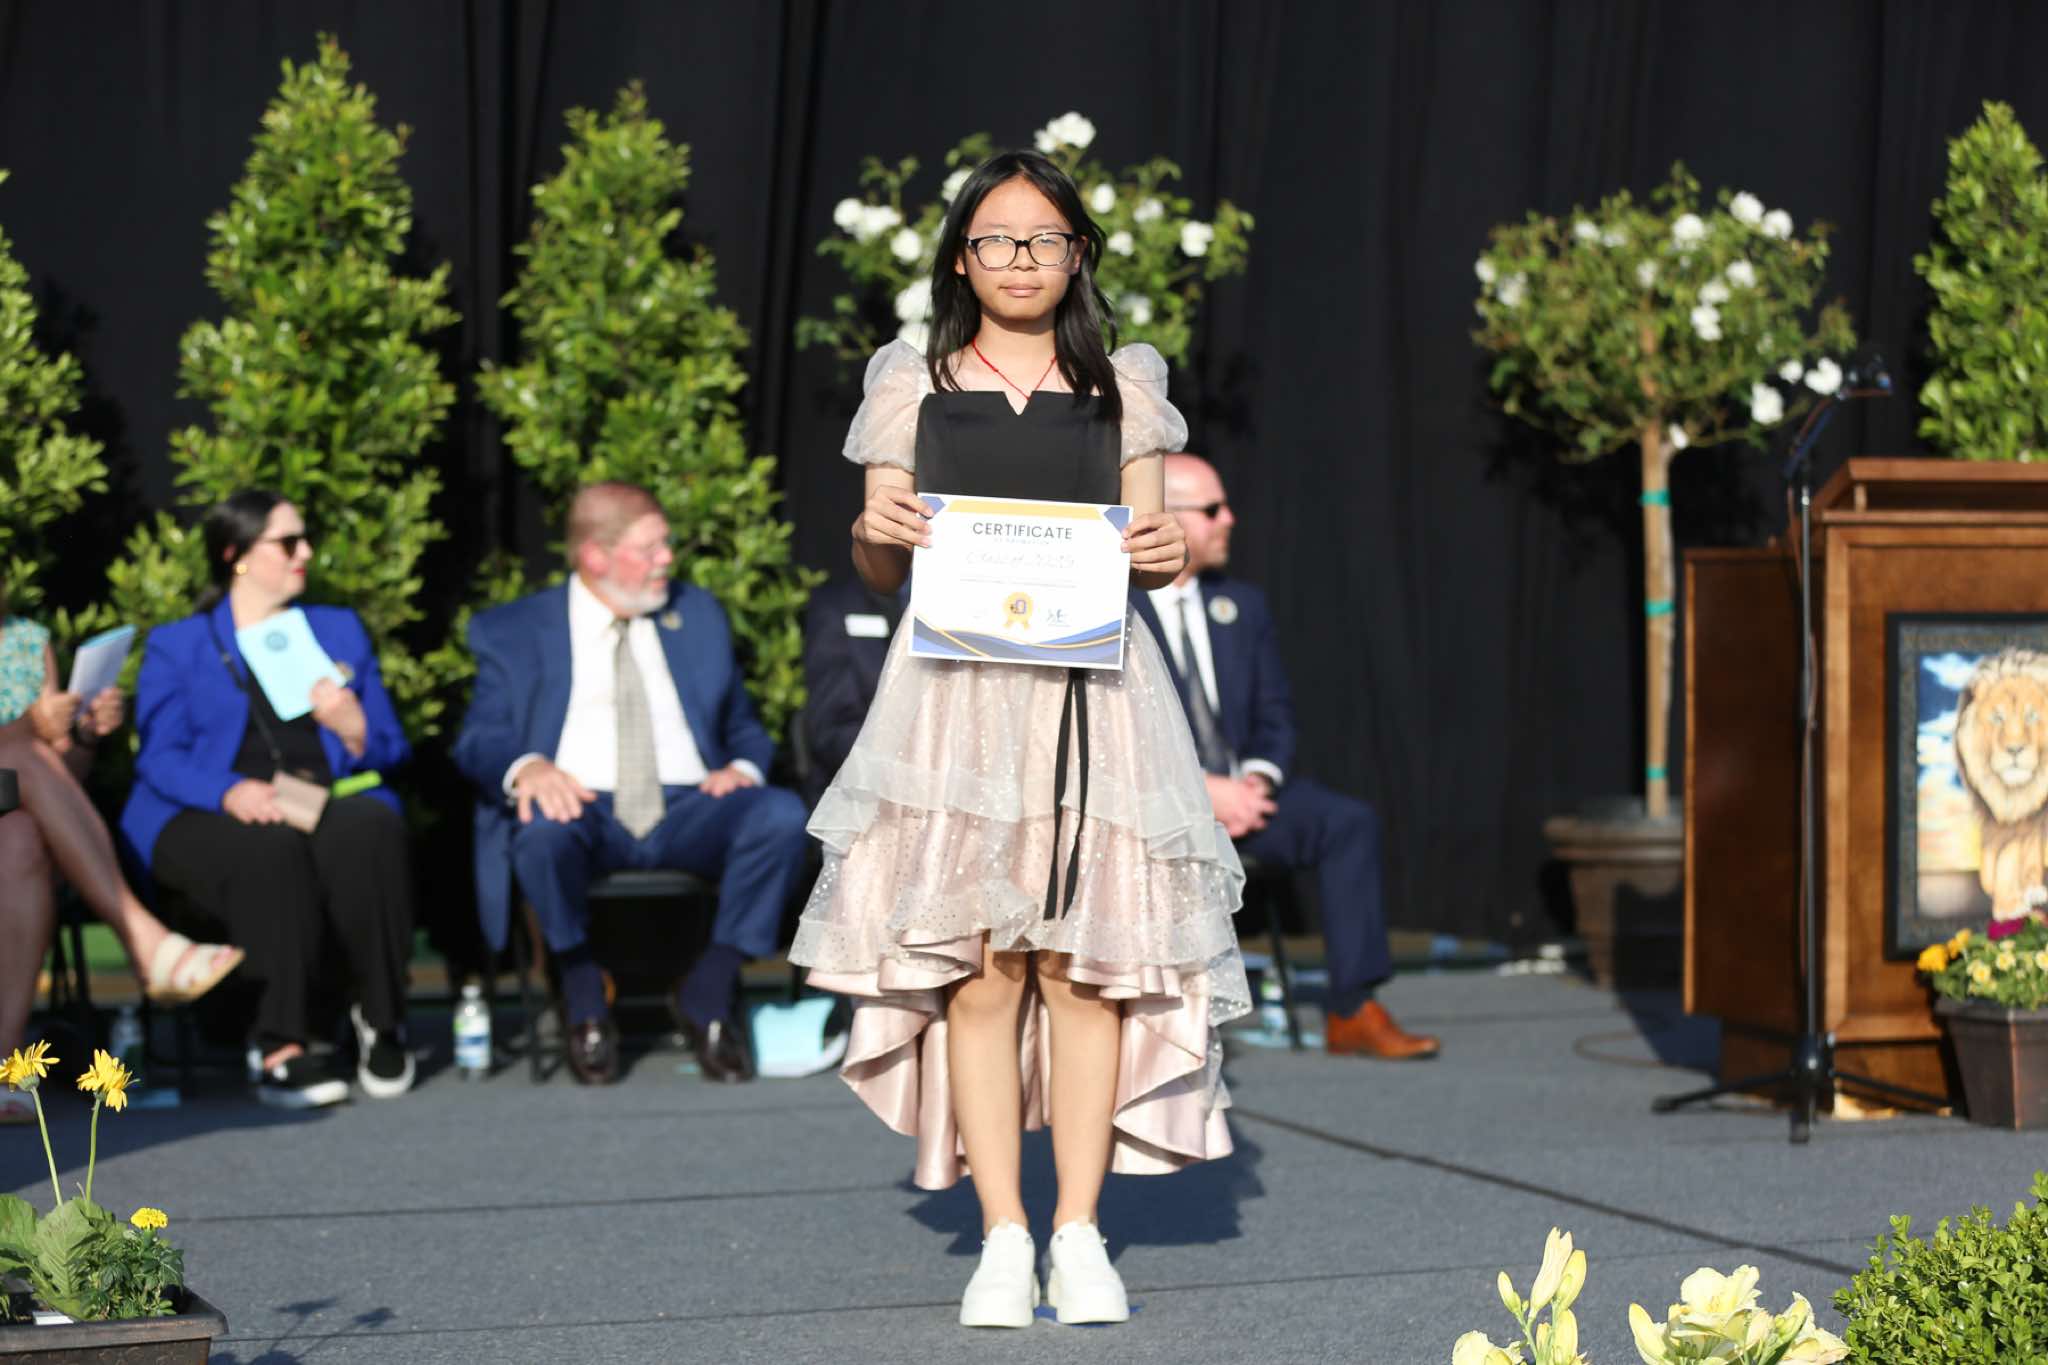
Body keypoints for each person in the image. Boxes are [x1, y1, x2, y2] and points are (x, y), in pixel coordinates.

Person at [788, 149, 1248, 1329]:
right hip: (954, 700)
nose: (1020, 259)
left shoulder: (1124, 383)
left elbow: (1153, 549)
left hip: (1093, 696)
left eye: (1044, 239)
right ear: (960, 258)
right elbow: (874, 561)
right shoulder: (911, 379)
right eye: (996, 239)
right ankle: (1002, 1235)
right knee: (981, 969)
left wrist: (1163, 549)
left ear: (1076, 254)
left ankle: (1079, 1231)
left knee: (1084, 969)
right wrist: (876, 526)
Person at [454, 482, 812, 1087]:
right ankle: (582, 992)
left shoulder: (696, 614)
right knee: (539, 832)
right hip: (582, 806)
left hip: (690, 805)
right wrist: (529, 768)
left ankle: (708, 991)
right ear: (595, 556)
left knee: (778, 816)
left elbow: (745, 728)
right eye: (650, 549)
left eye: (665, 545)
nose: (667, 559)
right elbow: (479, 739)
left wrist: (743, 768)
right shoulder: (514, 629)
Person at [1133, 454, 1438, 1060]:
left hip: (1244, 803)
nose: (1229, 520)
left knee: (1346, 822)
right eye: (1213, 509)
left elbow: (1276, 717)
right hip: (1154, 806)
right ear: (1167, 517)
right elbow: (1115, 733)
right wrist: (1202, 792)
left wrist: (1254, 782)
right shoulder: (1119, 608)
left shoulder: (1241, 606)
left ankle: (1353, 1009)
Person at [123, 490, 416, 1108]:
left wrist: (354, 728)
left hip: (320, 794)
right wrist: (228, 792)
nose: (304, 552)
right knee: (271, 848)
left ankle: (380, 1021)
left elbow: (390, 747)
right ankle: (280, 1044)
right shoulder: (181, 644)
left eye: (304, 539)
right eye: (287, 542)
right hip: (210, 808)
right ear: (236, 555)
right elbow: (158, 756)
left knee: (368, 829)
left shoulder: (337, 629)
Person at [0, 606, 243, 1124]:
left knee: (20, 838)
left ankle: (5, 1062)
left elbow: (56, 776)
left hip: (11, 825)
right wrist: (27, 730)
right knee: (19, 747)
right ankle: (146, 943)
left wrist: (83, 735)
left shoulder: (25, 641)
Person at [797, 575, 905, 804]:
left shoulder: (968, 602)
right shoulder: (838, 601)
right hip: (863, 791)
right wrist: (904, 769)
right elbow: (832, 726)